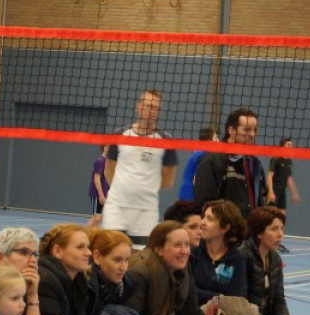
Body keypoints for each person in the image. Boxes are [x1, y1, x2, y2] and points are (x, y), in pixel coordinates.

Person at [101, 89, 179, 246]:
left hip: (146, 211)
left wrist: (145, 188)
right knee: (111, 251)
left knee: (140, 255)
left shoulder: (165, 140)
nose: (151, 111)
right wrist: (121, 188)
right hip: (116, 207)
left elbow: (168, 181)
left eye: (155, 108)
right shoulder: (120, 134)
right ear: (138, 107)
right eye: (148, 106)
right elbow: (109, 168)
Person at [193, 108, 268, 218]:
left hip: (250, 227)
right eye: (247, 129)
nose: (252, 134)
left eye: (255, 130)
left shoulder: (256, 164)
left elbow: (261, 198)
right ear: (231, 130)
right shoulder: (212, 161)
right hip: (225, 227)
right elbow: (203, 203)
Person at [177, 127, 216, 202]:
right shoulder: (202, 155)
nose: (218, 140)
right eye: (216, 138)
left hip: (187, 193)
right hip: (191, 196)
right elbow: (196, 179)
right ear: (209, 141)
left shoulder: (200, 152)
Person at [87, 144, 110, 227]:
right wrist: (101, 195)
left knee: (101, 218)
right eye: (109, 146)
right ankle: (84, 233)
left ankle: (95, 234)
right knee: (96, 218)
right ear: (104, 147)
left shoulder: (109, 162)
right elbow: (96, 178)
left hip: (106, 193)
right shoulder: (100, 161)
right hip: (97, 194)